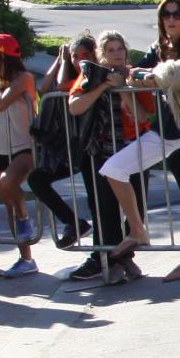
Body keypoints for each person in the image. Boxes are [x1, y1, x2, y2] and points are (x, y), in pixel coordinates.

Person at [99, 0, 180, 275]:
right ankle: (137, 231)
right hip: (164, 130)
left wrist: (147, 75)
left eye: (177, 14)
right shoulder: (158, 47)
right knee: (113, 169)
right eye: (166, 14)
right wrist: (139, 76)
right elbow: (135, 73)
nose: (171, 19)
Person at [67, 30, 149, 284]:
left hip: (133, 150)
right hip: (101, 150)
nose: (116, 54)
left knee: (136, 207)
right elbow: (75, 106)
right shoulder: (91, 75)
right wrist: (104, 85)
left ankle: (124, 255)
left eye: (120, 48)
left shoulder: (135, 74)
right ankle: (110, 260)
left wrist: (123, 88)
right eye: (110, 50)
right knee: (106, 209)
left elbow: (142, 116)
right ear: (102, 54)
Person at [0, 34, 40, 277]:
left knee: (8, 183)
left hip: (24, 145)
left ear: (1, 57)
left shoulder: (24, 78)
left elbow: (0, 104)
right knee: (8, 203)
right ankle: (26, 259)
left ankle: (25, 219)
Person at [31, 35, 92, 249]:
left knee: (97, 197)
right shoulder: (66, 68)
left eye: (85, 55)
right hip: (65, 144)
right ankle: (74, 223)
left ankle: (108, 252)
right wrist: (61, 60)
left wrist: (67, 63)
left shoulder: (91, 75)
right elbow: (44, 87)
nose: (79, 60)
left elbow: (61, 86)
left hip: (89, 145)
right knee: (37, 180)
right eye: (75, 56)